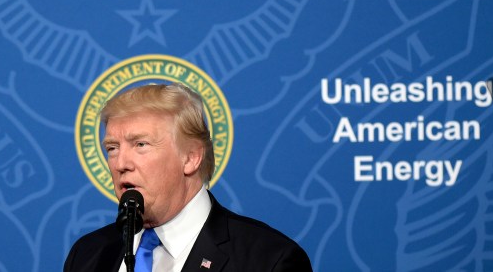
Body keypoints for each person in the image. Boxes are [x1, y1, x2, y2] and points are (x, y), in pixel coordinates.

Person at [64, 83, 312, 271]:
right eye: (112, 148)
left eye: (140, 144)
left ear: (191, 157)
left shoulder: (269, 260)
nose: (120, 163)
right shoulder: (87, 255)